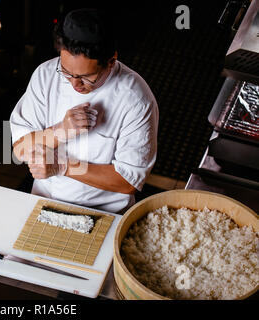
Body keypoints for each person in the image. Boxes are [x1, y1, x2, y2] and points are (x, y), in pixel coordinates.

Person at [10, 8, 159, 214]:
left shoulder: (136, 99)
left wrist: (63, 166)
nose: (75, 84)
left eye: (86, 77)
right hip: (43, 202)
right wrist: (59, 132)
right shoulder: (46, 75)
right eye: (67, 73)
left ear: (111, 60)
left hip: (103, 213)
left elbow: (128, 181)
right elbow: (19, 148)